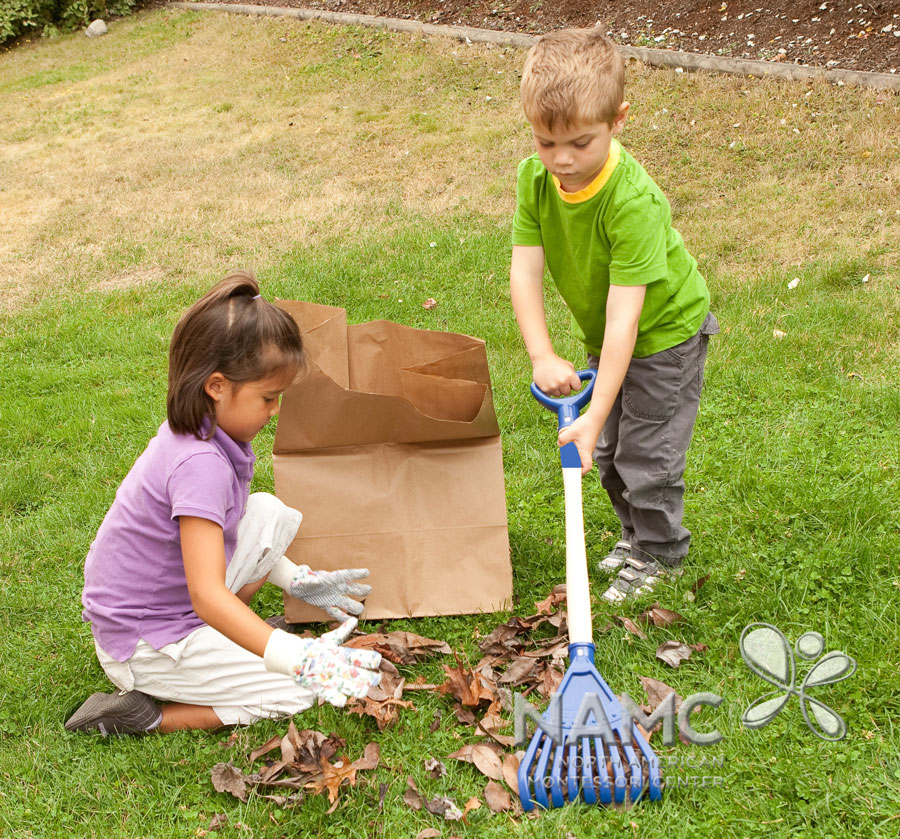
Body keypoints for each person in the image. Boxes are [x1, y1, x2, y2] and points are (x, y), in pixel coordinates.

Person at [65, 271, 381, 736]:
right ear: (216, 386)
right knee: (297, 689)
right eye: (268, 398)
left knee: (268, 510)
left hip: (165, 606)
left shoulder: (208, 433)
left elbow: (231, 534)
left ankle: (237, 641)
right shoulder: (199, 464)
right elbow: (207, 595)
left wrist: (296, 581)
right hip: (146, 642)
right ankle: (144, 716)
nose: (275, 411)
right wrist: (292, 654)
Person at [510, 28, 719, 603]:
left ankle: (662, 553)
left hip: (664, 335)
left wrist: (595, 413)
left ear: (618, 120)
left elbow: (627, 317)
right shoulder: (537, 181)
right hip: (611, 335)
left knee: (644, 452)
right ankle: (636, 538)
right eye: (546, 142)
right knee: (606, 453)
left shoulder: (633, 202)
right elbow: (524, 272)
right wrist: (542, 353)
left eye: (580, 141)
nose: (562, 160)